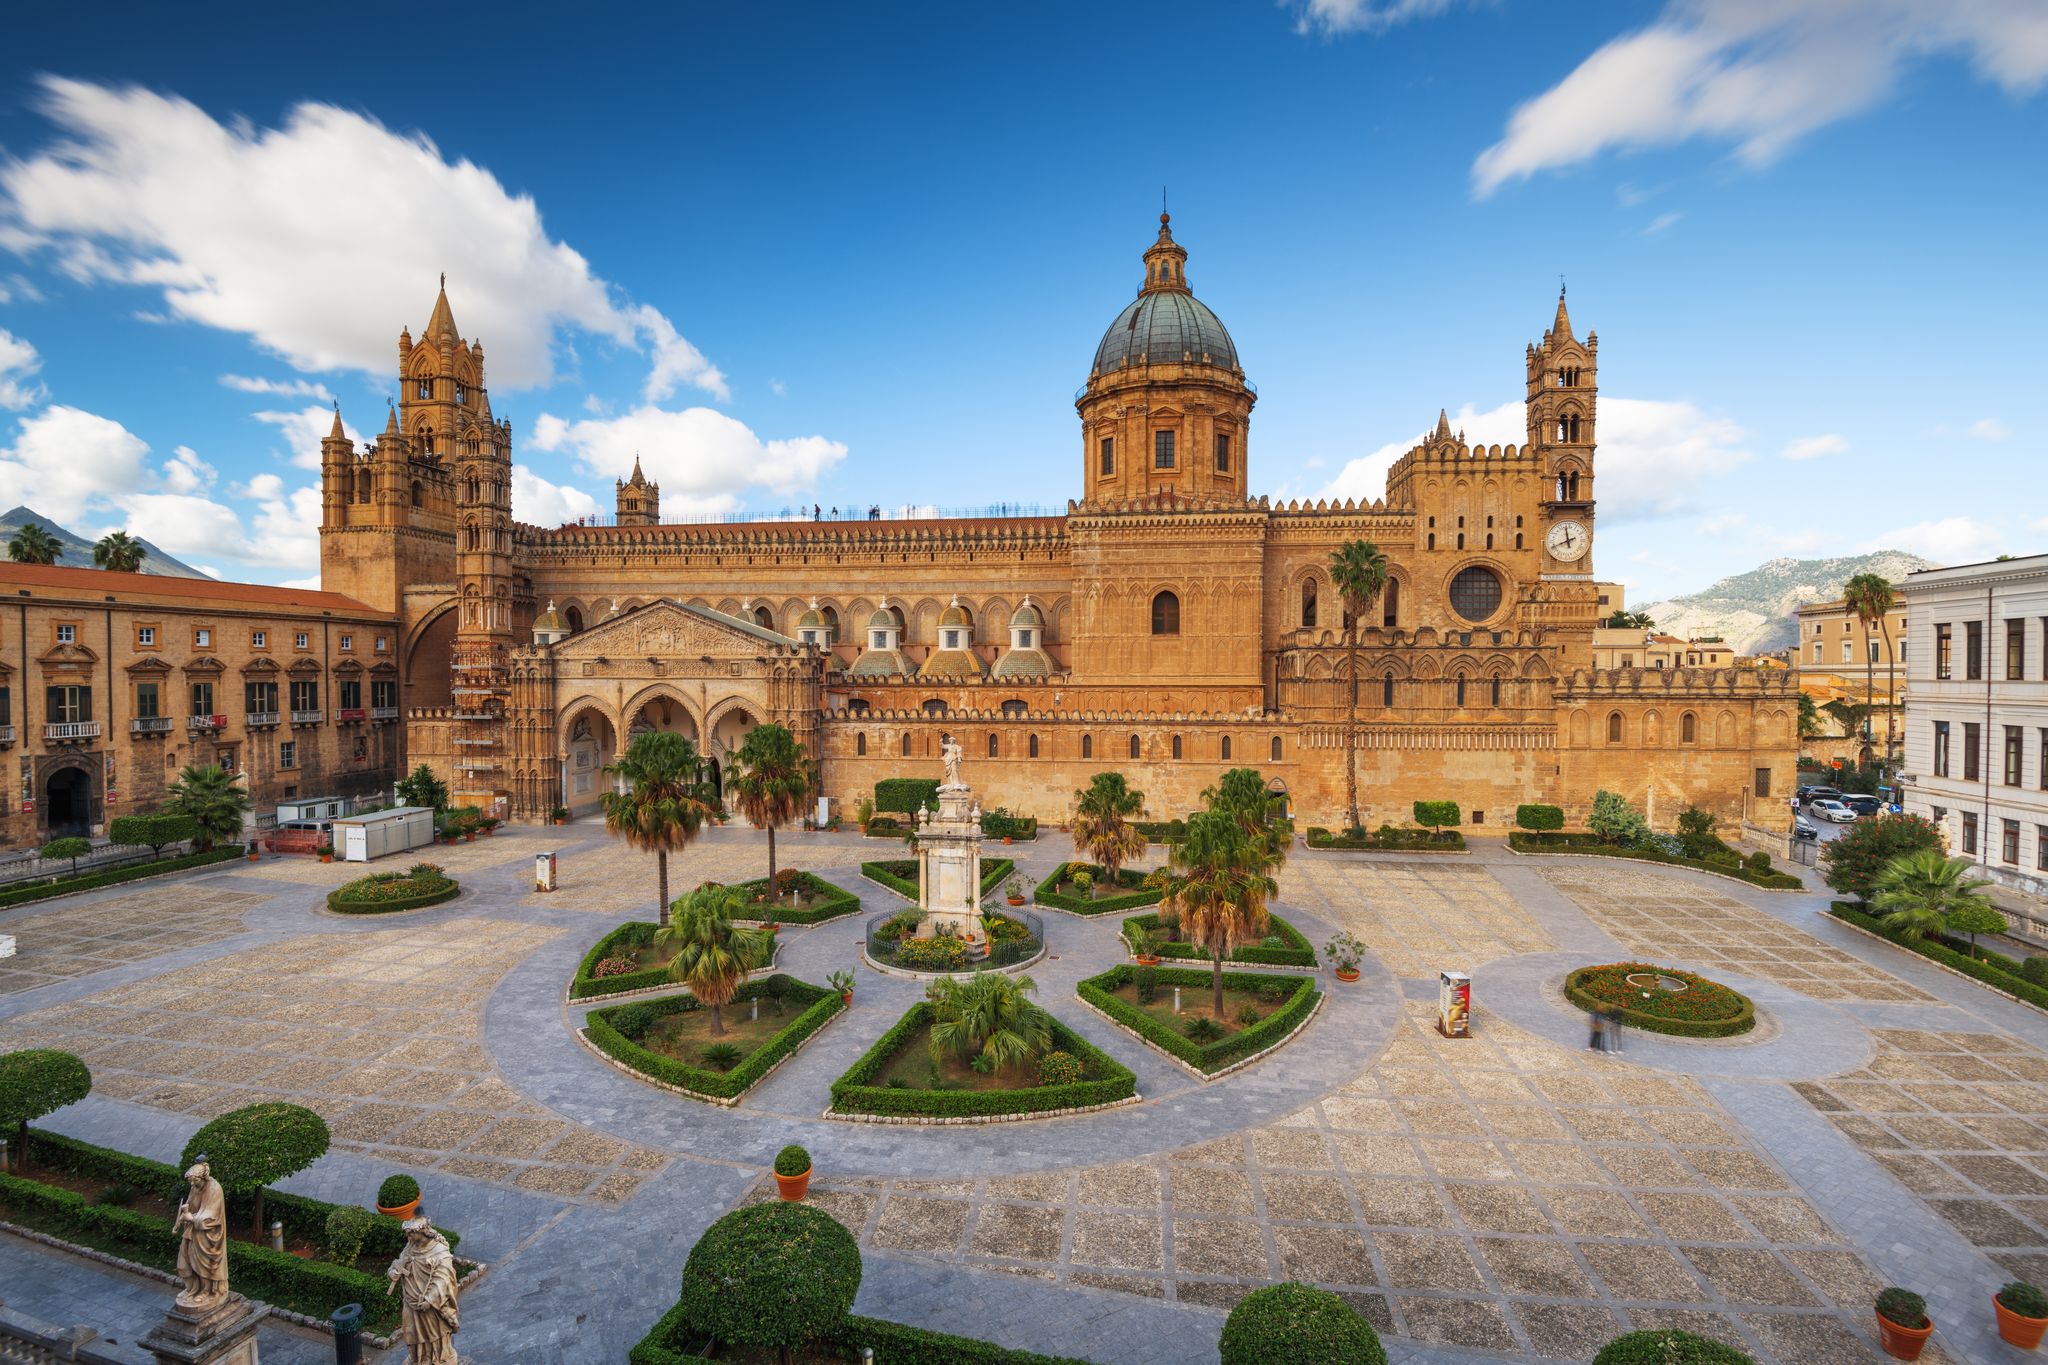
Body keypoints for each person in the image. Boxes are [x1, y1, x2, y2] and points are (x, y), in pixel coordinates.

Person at [388, 1215, 461, 1365]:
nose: (408, 1237)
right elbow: (398, 1263)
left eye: (411, 1233)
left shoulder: (439, 1251)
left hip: (430, 1304)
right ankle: (417, 1359)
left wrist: (430, 1299)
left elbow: (444, 1279)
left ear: (423, 1232)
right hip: (411, 1300)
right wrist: (393, 1272)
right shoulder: (410, 1247)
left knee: (435, 1333)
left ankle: (439, 1358)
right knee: (411, 1331)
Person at [173, 1159, 229, 1310]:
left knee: (204, 1264)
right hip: (192, 1232)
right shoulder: (195, 1187)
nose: (192, 1184)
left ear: (202, 1177)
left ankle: (207, 1291)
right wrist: (186, 1210)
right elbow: (191, 1204)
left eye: (194, 1180)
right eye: (190, 1181)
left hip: (208, 1234)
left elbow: (211, 1214)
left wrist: (192, 1217)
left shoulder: (214, 1189)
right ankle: (193, 1289)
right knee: (183, 1263)